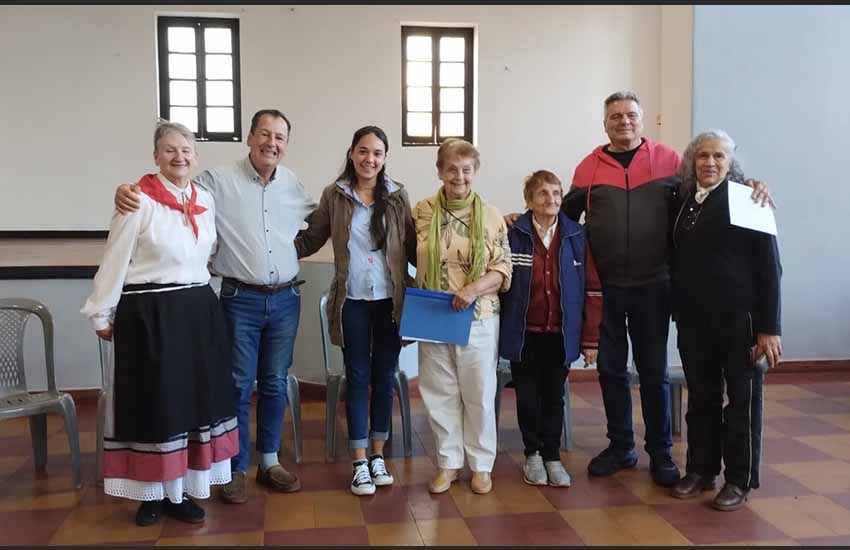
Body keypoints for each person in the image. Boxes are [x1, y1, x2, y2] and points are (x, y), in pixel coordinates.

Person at [558, 90, 773, 487]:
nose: (624, 121)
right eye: (616, 116)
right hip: (604, 289)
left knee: (653, 371)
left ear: (643, 120)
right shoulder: (588, 167)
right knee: (610, 370)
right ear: (605, 123)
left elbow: (713, 187)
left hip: (655, 287)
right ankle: (621, 446)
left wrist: (753, 184)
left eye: (631, 115)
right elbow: (564, 217)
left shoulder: (670, 161)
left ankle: (659, 452)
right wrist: (522, 216)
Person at [114, 109, 316, 504]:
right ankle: (236, 466)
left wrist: (296, 252)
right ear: (250, 137)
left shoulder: (292, 184)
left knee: (275, 383)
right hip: (240, 298)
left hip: (286, 299)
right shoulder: (216, 182)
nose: (270, 143)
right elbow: (172, 182)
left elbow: (317, 221)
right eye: (263, 134)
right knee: (237, 384)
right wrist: (126, 188)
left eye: (279, 137)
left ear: (286, 144)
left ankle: (270, 460)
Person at [82, 121, 238, 526]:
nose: (179, 157)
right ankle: (152, 494)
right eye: (169, 150)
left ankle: (181, 491)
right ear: (156, 156)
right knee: (155, 403)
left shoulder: (204, 197)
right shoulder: (139, 200)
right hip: (150, 312)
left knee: (192, 403)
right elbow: (115, 257)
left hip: (197, 310)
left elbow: (208, 253)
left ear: (196, 157)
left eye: (186, 150)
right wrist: (102, 310)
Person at [294, 126, 416, 496]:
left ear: (384, 158)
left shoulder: (397, 196)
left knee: (384, 376)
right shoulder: (336, 195)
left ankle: (378, 455)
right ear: (351, 153)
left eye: (377, 153)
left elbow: (412, 245)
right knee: (357, 377)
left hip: (390, 301)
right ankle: (359, 461)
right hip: (352, 302)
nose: (370, 159)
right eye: (363, 151)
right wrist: (266, 245)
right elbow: (313, 236)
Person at [669, 130, 781, 511]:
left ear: (731, 163)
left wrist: (769, 328)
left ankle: (739, 479)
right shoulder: (683, 200)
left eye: (719, 156)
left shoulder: (749, 199)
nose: (711, 162)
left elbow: (770, 268)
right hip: (694, 322)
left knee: (742, 402)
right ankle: (700, 470)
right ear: (692, 160)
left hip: (741, 323)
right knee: (701, 398)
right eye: (703, 156)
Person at [414, 138, 513, 495]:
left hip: (479, 315)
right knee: (439, 392)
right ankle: (448, 464)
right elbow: (410, 257)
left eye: (466, 169)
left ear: (475, 172)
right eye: (452, 169)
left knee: (478, 393)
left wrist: (471, 290)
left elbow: (503, 267)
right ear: (440, 171)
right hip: (433, 314)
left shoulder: (490, 214)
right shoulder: (422, 211)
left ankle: (481, 466)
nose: (459, 176)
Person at [498, 170, 591, 488]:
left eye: (555, 193)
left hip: (561, 334)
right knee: (527, 396)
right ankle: (532, 454)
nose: (550, 200)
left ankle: (552, 456)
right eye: (542, 194)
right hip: (524, 334)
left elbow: (587, 286)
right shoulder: (513, 233)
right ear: (529, 200)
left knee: (554, 397)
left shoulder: (576, 235)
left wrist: (589, 337)